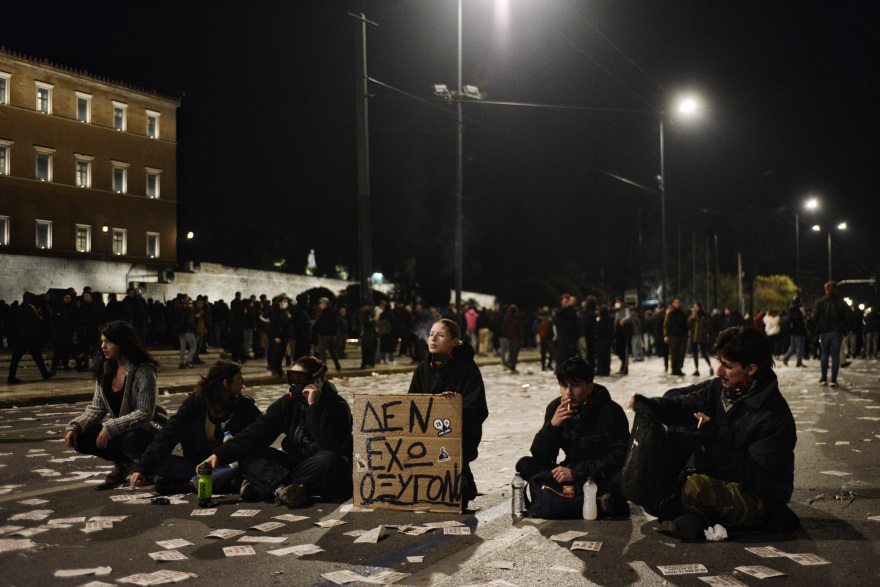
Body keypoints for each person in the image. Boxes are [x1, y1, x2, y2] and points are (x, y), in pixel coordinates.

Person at [628, 326, 799, 541]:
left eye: (727, 366)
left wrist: (714, 438)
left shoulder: (774, 416)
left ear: (751, 369)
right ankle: (697, 517)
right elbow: (685, 406)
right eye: (720, 362)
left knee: (695, 487)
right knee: (653, 486)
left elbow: (754, 477)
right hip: (719, 476)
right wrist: (651, 405)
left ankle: (702, 519)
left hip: (759, 496)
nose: (719, 371)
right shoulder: (722, 388)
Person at [201, 356, 352, 507]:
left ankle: (267, 487)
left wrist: (313, 407)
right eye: (291, 378)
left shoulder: (337, 406)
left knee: (331, 459)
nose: (294, 384)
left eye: (299, 379)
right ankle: (282, 490)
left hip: (321, 468)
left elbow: (329, 444)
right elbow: (256, 433)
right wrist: (218, 455)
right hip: (297, 466)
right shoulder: (288, 403)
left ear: (316, 381)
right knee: (248, 452)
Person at [516, 356, 630, 516]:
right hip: (570, 472)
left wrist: (577, 472)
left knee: (622, 481)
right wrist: (552, 426)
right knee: (524, 465)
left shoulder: (610, 411)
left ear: (589, 387)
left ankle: (567, 498)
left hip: (598, 474)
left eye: (575, 386)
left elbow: (619, 456)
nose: (568, 392)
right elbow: (541, 457)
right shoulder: (556, 408)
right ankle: (595, 501)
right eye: (564, 386)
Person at [130, 361, 261, 495]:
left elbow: (262, 430)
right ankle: (215, 482)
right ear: (226, 383)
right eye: (239, 379)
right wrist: (143, 468)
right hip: (196, 464)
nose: (243, 381)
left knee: (248, 465)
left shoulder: (245, 407)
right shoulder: (195, 404)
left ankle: (192, 484)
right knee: (164, 464)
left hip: (226, 463)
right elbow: (168, 434)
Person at [65, 321, 168, 489]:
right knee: (81, 438)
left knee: (131, 439)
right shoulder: (106, 370)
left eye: (108, 342)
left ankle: (147, 468)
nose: (103, 346)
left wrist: (110, 427)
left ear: (122, 344)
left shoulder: (144, 371)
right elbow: (97, 408)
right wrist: (76, 426)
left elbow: (144, 412)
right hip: (122, 428)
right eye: (102, 341)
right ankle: (125, 464)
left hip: (147, 429)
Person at [408, 319, 488, 507]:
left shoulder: (468, 368)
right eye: (431, 334)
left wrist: (453, 407)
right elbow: (411, 404)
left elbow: (476, 407)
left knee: (457, 494)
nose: (433, 338)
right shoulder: (423, 369)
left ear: (454, 341)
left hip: (455, 441)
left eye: (441, 335)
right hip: (426, 439)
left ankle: (464, 479)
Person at [7, 291, 55, 384]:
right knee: (37, 357)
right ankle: (44, 373)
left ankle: (11, 376)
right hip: (29, 337)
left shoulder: (20, 308)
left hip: (21, 337)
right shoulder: (30, 308)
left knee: (16, 358)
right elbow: (36, 322)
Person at [814, 281, 850, 386]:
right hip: (837, 332)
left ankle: (823, 378)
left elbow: (815, 316)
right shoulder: (841, 302)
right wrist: (846, 329)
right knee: (835, 355)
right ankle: (833, 380)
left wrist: (818, 326)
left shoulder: (820, 302)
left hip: (824, 332)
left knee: (824, 354)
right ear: (836, 290)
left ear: (826, 290)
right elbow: (848, 316)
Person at [687, 302, 713, 376]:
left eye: (696, 306)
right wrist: (691, 318)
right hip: (693, 338)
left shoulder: (704, 315)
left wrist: (703, 332)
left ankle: (710, 367)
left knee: (703, 353)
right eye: (694, 307)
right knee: (695, 354)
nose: (695, 308)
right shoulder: (692, 316)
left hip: (702, 337)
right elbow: (688, 325)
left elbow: (708, 325)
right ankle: (697, 369)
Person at [664, 298, 688, 376]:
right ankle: (674, 369)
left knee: (681, 354)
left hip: (682, 336)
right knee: (674, 354)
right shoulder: (670, 314)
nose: (678, 304)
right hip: (673, 336)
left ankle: (679, 368)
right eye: (676, 303)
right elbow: (666, 325)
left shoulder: (682, 313)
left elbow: (685, 325)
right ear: (673, 304)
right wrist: (666, 335)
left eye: (679, 303)